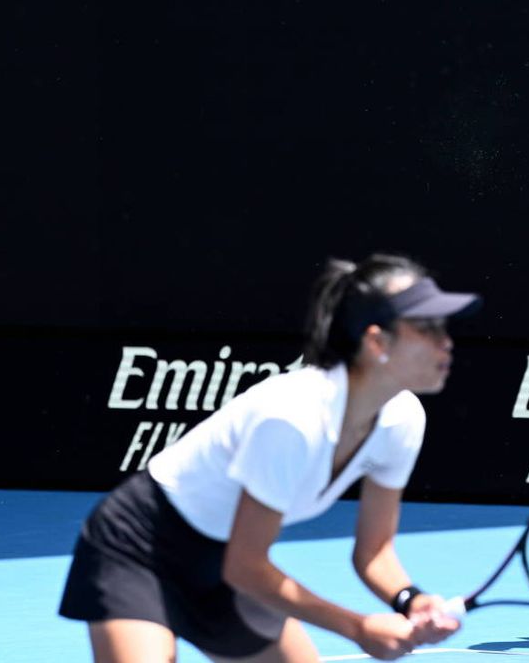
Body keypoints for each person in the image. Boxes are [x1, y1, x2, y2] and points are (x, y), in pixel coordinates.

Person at [59, 253, 479, 662]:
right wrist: (357, 628)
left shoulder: (403, 420)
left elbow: (373, 552)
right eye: (425, 328)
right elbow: (246, 568)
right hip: (139, 548)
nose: (446, 342)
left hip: (222, 565)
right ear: (376, 342)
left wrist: (410, 599)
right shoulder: (293, 419)